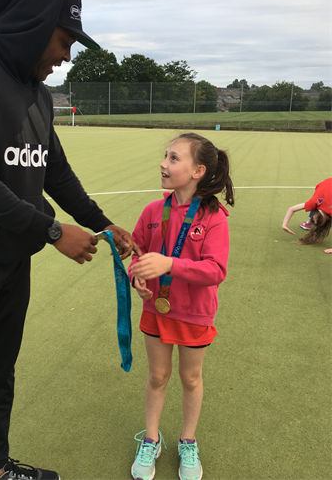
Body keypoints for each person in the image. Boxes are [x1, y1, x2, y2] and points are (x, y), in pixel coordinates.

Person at [0, 0, 139, 480]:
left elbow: (55, 173)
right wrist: (52, 232)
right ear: (32, 25)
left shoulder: (40, 95)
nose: (67, 55)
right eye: (65, 40)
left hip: (10, 264)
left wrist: (103, 223)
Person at [128, 133, 234, 480]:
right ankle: (152, 439)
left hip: (194, 314)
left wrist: (169, 266)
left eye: (174, 158)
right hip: (155, 311)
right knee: (157, 376)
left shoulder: (214, 217)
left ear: (198, 171)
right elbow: (138, 255)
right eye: (165, 156)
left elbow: (215, 270)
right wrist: (138, 277)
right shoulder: (153, 211)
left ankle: (187, 440)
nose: (164, 163)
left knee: (190, 378)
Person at [282, 178, 332, 253]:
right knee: (315, 203)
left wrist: (284, 225)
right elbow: (291, 209)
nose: (314, 218)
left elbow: (291, 209)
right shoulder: (314, 202)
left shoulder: (315, 203)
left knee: (315, 203)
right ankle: (309, 222)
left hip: (326, 184)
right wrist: (284, 225)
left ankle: (308, 222)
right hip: (324, 184)